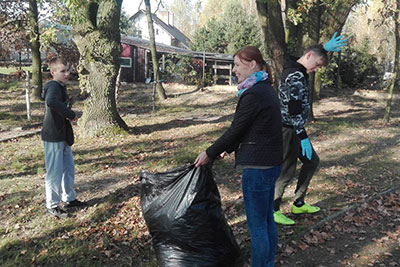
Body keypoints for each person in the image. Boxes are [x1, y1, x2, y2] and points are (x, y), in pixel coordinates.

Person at [195, 46, 283, 267]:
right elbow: (252, 128)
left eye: (236, 64)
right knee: (266, 220)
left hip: (258, 168)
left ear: (252, 64)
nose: (234, 70)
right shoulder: (266, 89)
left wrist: (209, 153)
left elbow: (235, 129)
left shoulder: (253, 94)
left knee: (258, 226)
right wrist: (231, 148)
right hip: (271, 165)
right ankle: (268, 263)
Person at [273, 33, 347, 225]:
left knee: (312, 161)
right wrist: (302, 135)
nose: (315, 70)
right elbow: (294, 109)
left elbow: (307, 55)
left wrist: (322, 48)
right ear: (307, 57)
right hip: (289, 129)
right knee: (286, 171)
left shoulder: (295, 67)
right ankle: (272, 210)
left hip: (295, 129)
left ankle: (298, 202)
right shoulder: (295, 74)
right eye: (316, 65)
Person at [41, 57, 86, 219]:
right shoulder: (53, 86)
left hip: (63, 135)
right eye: (62, 71)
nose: (67, 74)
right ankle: (52, 206)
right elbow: (51, 101)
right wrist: (71, 114)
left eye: (68, 70)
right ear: (53, 72)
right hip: (54, 136)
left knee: (68, 168)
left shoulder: (60, 86)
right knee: (55, 172)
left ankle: (69, 199)